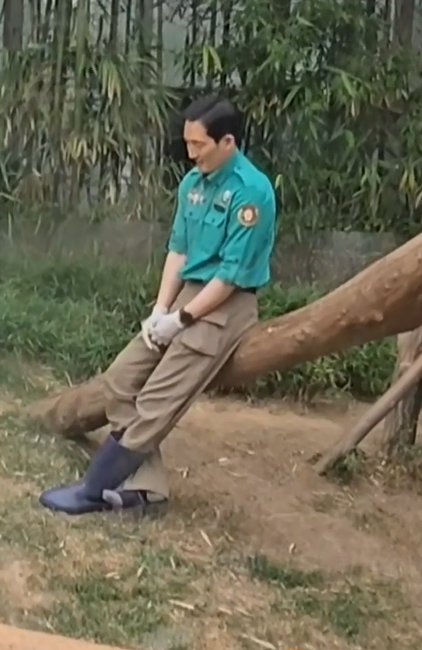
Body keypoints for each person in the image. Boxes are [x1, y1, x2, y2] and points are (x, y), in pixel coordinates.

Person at [39, 94, 277, 518]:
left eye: (198, 145)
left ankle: (93, 490)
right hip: (188, 292)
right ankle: (147, 490)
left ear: (227, 143)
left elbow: (228, 276)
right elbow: (178, 251)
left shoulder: (252, 193)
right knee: (121, 379)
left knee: (157, 400)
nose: (190, 153)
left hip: (227, 303)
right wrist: (161, 310)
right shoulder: (193, 184)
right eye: (187, 143)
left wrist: (183, 320)